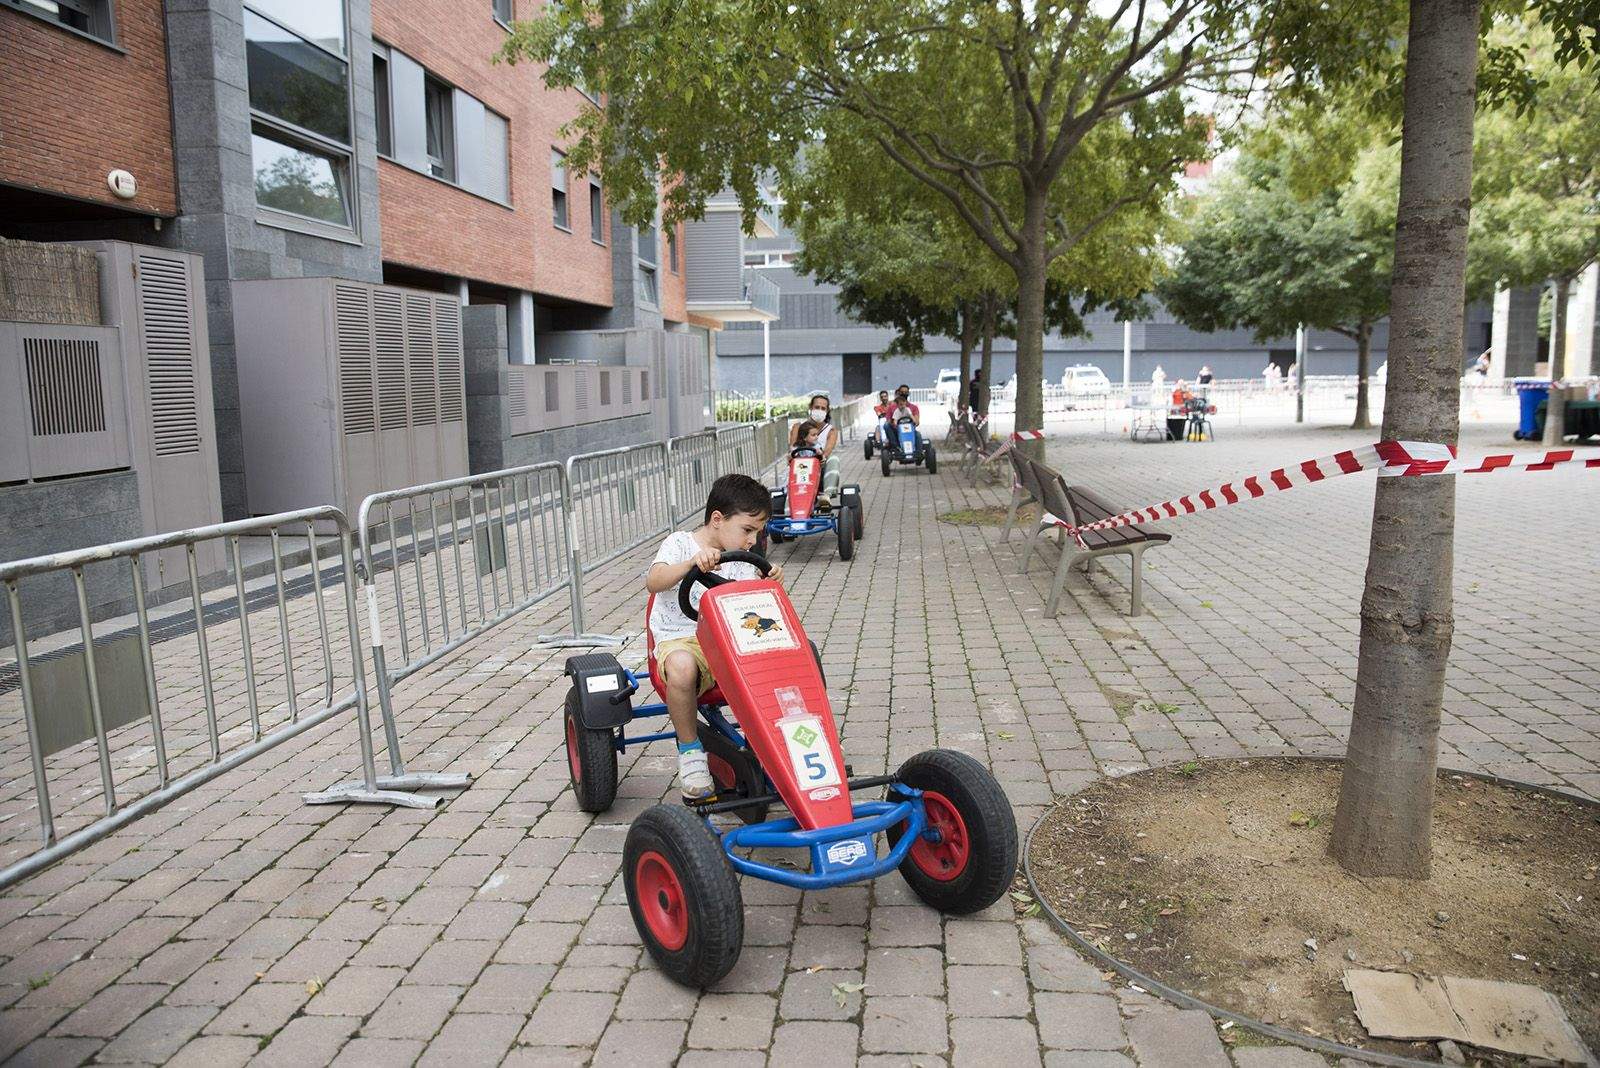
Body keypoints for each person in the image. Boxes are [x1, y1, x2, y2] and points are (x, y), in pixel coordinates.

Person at [646, 474, 784, 801]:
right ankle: (691, 751)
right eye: (748, 530)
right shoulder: (680, 543)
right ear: (717, 520)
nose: (752, 541)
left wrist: (770, 581)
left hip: (732, 640)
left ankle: (788, 739)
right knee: (681, 668)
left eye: (758, 533)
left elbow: (754, 611)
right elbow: (654, 581)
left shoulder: (743, 560)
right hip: (683, 640)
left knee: (796, 652)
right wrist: (691, 563)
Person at [789, 393, 840, 506]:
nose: (819, 410)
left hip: (819, 470)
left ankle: (826, 495)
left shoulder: (831, 431)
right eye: (817, 407)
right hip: (800, 470)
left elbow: (826, 453)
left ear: (827, 411)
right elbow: (792, 450)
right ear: (811, 408)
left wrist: (821, 457)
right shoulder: (798, 427)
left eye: (823, 408)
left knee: (833, 459)